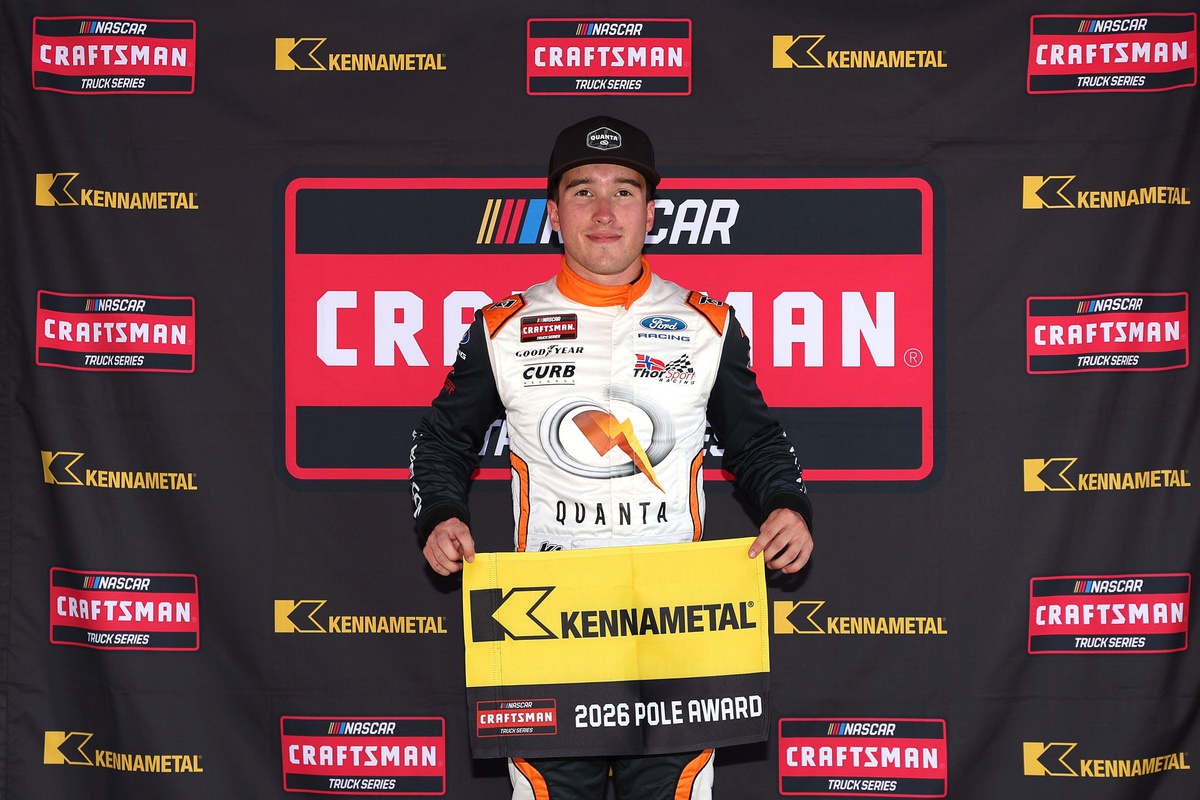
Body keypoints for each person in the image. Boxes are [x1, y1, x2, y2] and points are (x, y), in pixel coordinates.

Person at [410, 115, 814, 800]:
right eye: (583, 191)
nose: (604, 212)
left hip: (676, 619)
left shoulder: (708, 324)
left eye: (624, 192)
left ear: (650, 214)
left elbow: (757, 442)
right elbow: (441, 440)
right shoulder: (501, 327)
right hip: (547, 622)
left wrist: (787, 504)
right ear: (554, 215)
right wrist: (441, 514)